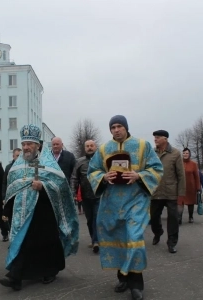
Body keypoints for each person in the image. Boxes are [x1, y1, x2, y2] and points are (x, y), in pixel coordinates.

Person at [87, 115, 163, 300]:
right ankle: (123, 277)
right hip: (111, 203)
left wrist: (139, 175)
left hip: (136, 201)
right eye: (113, 127)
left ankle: (136, 284)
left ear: (126, 127)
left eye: (119, 126)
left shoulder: (143, 146)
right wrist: (103, 177)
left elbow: (157, 168)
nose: (116, 130)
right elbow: (93, 171)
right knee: (118, 239)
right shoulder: (104, 149)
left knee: (134, 238)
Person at [0, 125, 79, 291]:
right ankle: (15, 276)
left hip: (44, 212)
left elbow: (60, 186)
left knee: (46, 243)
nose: (26, 147)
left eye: (30, 144)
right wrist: (7, 208)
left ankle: (50, 271)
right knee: (22, 242)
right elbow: (12, 186)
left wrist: (43, 186)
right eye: (24, 144)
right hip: (22, 213)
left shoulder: (49, 164)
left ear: (38, 145)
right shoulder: (17, 165)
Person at [151, 130, 185, 254]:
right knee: (153, 217)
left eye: (158, 137)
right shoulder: (152, 153)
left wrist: (181, 194)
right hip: (156, 191)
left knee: (173, 219)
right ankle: (158, 231)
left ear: (165, 139)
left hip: (171, 192)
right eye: (154, 137)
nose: (155, 139)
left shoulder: (175, 153)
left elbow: (181, 175)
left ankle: (171, 242)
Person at [71, 139, 100, 253]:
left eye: (91, 145)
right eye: (87, 146)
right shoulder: (80, 162)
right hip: (85, 196)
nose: (89, 148)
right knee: (89, 219)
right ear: (85, 148)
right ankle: (94, 239)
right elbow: (74, 178)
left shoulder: (102, 160)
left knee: (96, 219)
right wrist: (73, 192)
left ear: (95, 146)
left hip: (99, 195)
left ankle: (96, 241)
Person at [178, 148, 201, 224]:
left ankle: (190, 217)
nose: (185, 154)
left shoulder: (193, 164)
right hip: (180, 187)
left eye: (187, 153)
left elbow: (197, 177)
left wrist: (198, 188)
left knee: (190, 203)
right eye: (184, 153)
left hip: (191, 187)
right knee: (180, 203)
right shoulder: (178, 163)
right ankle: (179, 218)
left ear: (189, 154)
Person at [1, 148, 22, 228]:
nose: (19, 157)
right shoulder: (8, 167)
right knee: (10, 217)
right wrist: (3, 197)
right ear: (13, 156)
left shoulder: (25, 166)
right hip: (10, 197)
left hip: (20, 197)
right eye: (17, 156)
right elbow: (4, 183)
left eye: (21, 156)